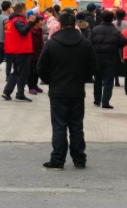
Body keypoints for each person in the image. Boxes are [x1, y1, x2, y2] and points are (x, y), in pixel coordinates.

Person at [37, 12, 97, 170]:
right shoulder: (85, 44)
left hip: (57, 91)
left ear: (60, 25)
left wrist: (50, 80)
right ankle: (79, 159)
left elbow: (41, 67)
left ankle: (57, 159)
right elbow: (93, 67)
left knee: (59, 126)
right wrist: (83, 78)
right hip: (77, 90)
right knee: (76, 126)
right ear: (75, 24)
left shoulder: (51, 44)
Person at [90, 10, 127, 109]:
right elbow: (124, 40)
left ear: (102, 18)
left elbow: (90, 41)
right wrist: (118, 46)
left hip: (97, 56)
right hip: (111, 57)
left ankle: (97, 100)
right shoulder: (115, 31)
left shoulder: (95, 30)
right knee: (108, 80)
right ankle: (105, 101)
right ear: (112, 19)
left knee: (97, 79)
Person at [1, 3, 37, 102]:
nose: (26, 12)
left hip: (13, 50)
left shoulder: (10, 20)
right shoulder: (18, 20)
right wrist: (30, 22)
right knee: (23, 73)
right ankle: (20, 94)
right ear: (22, 11)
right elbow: (23, 31)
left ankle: (7, 91)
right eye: (25, 10)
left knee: (16, 72)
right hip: (20, 50)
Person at [28, 16, 45, 95]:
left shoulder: (41, 30)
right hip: (31, 53)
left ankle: (35, 85)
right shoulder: (31, 30)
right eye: (40, 21)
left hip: (39, 53)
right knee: (31, 71)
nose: (42, 22)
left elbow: (41, 41)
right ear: (36, 22)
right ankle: (31, 87)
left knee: (37, 70)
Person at [0, 1, 12, 72]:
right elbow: (7, 31)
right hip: (4, 41)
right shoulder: (7, 18)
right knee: (9, 60)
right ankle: (8, 75)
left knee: (1, 58)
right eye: (10, 7)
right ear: (8, 8)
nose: (11, 9)